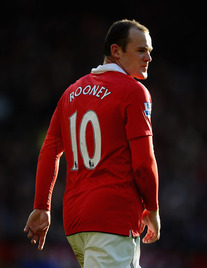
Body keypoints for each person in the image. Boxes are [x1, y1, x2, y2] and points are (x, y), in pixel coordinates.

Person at [24, 19, 160, 268]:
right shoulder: (134, 91)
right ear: (116, 51)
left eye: (149, 51)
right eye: (141, 50)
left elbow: (49, 151)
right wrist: (152, 208)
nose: (148, 58)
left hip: (76, 222)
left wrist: (42, 206)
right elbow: (143, 162)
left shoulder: (70, 94)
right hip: (113, 219)